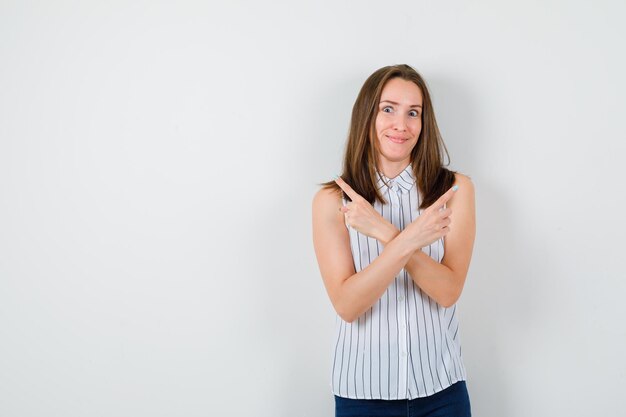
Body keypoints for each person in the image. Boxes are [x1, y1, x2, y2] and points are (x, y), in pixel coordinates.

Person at [312, 64, 476, 417]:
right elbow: (348, 305)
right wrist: (410, 240)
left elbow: (448, 291)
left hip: (442, 391)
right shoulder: (332, 201)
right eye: (388, 109)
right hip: (362, 396)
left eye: (413, 113)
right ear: (367, 116)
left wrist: (386, 232)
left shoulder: (454, 191)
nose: (401, 124)